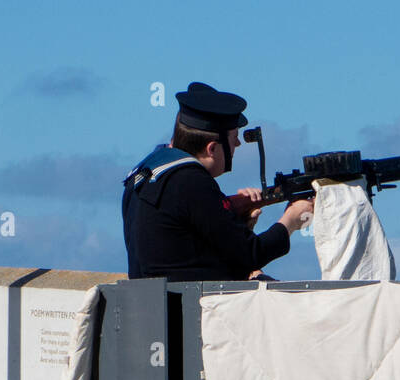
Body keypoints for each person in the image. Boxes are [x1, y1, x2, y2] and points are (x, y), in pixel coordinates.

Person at [122, 81, 313, 281]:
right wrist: (291, 220)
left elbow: (183, 247)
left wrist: (237, 223)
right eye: (233, 138)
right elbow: (251, 254)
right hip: (192, 306)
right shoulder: (191, 181)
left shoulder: (145, 172)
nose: (238, 144)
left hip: (156, 302)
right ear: (212, 149)